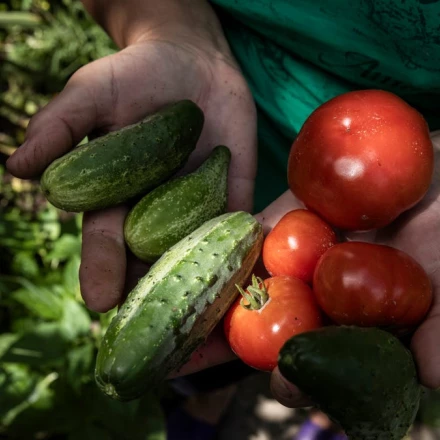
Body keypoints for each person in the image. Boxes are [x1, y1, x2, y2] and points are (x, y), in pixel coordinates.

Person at [6, 0, 440, 437]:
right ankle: (215, 396)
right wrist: (170, 26)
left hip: (375, 214)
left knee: (331, 356)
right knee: (212, 354)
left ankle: (327, 402)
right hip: (233, 175)